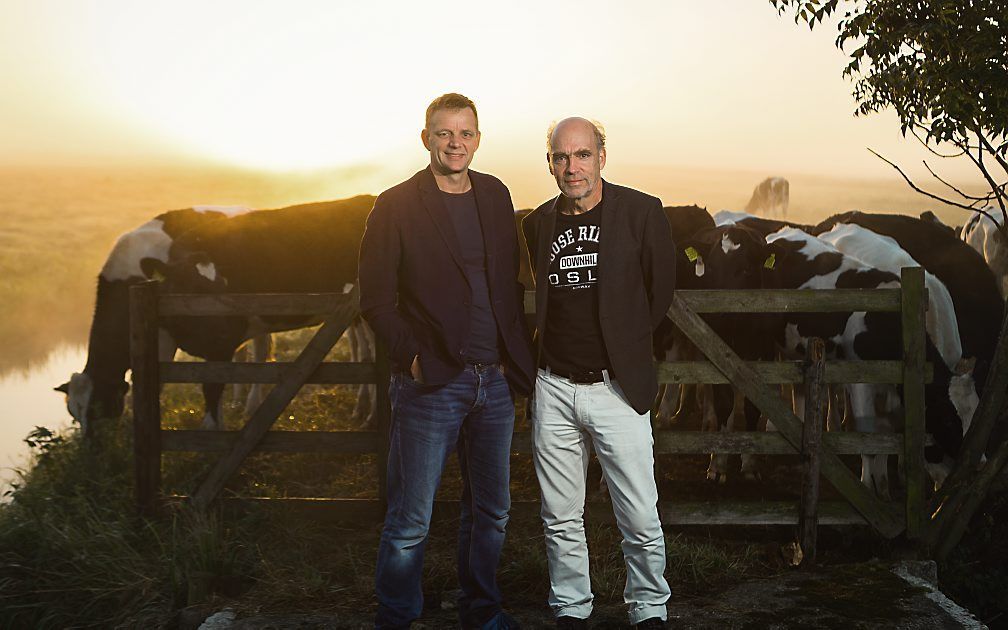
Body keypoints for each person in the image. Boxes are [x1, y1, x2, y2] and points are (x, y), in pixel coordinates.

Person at [359, 93, 535, 630]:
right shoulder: (396, 205)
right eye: (444, 133)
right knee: (411, 517)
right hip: (432, 382)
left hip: (495, 382)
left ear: (477, 139)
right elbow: (375, 299)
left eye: (465, 133)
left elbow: (507, 283)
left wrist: (509, 358)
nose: (455, 143)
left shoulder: (496, 195)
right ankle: (396, 618)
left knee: (491, 512)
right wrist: (412, 358)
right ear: (426, 138)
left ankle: (480, 612)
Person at [521, 117, 676, 629]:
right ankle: (572, 609)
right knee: (561, 516)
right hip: (554, 387)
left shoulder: (641, 212)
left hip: (616, 387)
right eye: (561, 157)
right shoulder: (539, 222)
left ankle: (649, 609)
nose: (572, 167)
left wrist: (626, 346)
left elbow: (659, 293)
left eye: (582, 155)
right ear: (550, 162)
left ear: (602, 157)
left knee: (638, 513)